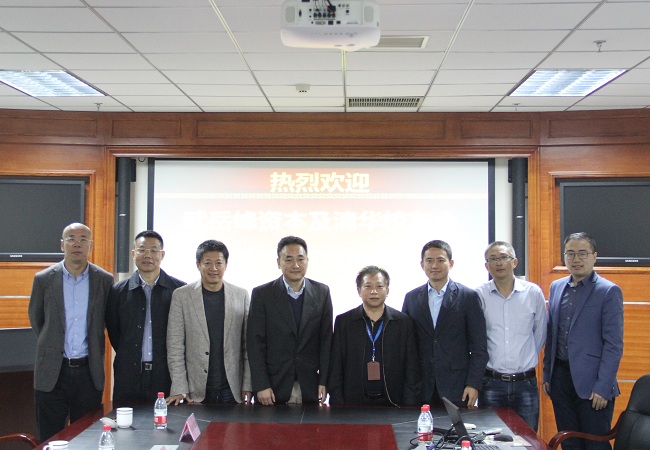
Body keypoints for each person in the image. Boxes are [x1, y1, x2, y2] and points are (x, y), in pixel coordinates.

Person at [28, 223, 114, 441]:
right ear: (62, 244)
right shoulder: (43, 279)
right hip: (52, 372)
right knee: (50, 439)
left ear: (90, 245)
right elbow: (37, 319)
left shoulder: (104, 280)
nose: (77, 244)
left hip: (88, 373)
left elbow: (106, 320)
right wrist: (52, 344)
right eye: (71, 239)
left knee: (85, 438)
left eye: (83, 239)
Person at [543, 232, 624, 450]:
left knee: (595, 445)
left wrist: (603, 387)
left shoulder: (608, 291)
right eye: (570, 254)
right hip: (560, 379)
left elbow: (614, 345)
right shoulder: (557, 287)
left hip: (593, 384)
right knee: (569, 444)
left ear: (594, 256)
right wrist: (547, 374)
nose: (576, 259)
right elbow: (552, 335)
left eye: (582, 253)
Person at [247, 236, 333, 405]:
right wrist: (261, 385)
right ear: (278, 263)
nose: (295, 265)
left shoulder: (322, 292)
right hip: (272, 387)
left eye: (300, 259)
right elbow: (255, 343)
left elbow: (326, 340)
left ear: (307, 261)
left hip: (310, 384)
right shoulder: (262, 294)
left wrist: (324, 380)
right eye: (288, 259)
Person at [402, 239, 488, 408]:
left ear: (451, 263)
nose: (435, 265)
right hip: (420, 386)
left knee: (457, 426)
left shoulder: (468, 297)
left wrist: (473, 383)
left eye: (440, 260)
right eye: (429, 260)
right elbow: (406, 343)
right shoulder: (411, 298)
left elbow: (479, 346)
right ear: (422, 265)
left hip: (457, 385)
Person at [166, 240, 251, 405]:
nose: (214, 268)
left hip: (232, 389)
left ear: (226, 265)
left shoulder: (241, 295)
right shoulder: (181, 296)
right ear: (198, 265)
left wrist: (248, 384)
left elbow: (248, 345)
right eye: (207, 263)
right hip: (195, 391)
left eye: (218, 263)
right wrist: (179, 388)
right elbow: (175, 346)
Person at [106, 230, 186, 405]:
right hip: (128, 376)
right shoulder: (118, 291)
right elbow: (115, 333)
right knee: (127, 421)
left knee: (165, 421)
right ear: (133, 254)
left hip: (165, 376)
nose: (148, 255)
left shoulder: (179, 290)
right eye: (142, 250)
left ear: (162, 255)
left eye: (154, 250)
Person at [475, 241, 547, 431]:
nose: (499, 263)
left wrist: (524, 358)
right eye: (493, 259)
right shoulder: (479, 295)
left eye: (503, 257)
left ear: (514, 262)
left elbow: (540, 334)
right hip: (491, 383)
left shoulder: (533, 293)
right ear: (487, 266)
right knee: (490, 439)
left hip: (525, 383)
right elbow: (476, 339)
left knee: (528, 439)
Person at [328, 266, 420, 406]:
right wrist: (337, 402)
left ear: (387, 290)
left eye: (379, 286)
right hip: (353, 404)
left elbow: (412, 367)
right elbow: (336, 365)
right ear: (359, 290)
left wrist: (409, 404)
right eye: (368, 286)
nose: (374, 291)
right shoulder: (344, 322)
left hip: (394, 403)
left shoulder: (403, 322)